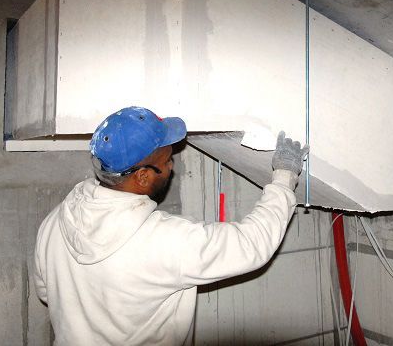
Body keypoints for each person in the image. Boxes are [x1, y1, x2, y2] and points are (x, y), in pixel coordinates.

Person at [33, 106, 308, 345]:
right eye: (166, 161)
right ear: (141, 177)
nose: (172, 166)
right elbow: (252, 244)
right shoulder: (164, 242)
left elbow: (46, 292)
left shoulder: (55, 222)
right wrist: (284, 176)